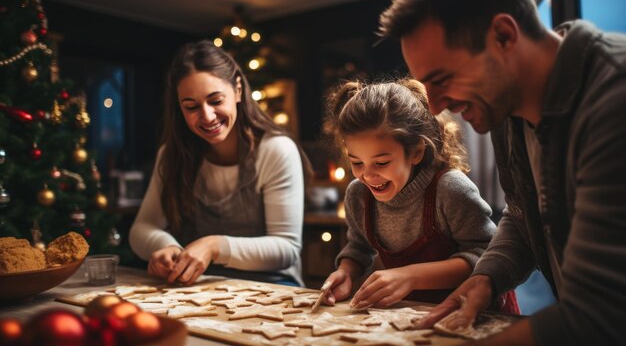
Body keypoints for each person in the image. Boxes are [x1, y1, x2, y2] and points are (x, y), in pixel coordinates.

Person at [378, 0, 626, 345]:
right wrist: (486, 278)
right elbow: (524, 215)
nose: (434, 107)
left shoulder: (613, 98)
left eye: (443, 79)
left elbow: (598, 312)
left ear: (504, 36)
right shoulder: (506, 108)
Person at [321, 79, 518, 313]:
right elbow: (359, 248)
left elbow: (485, 255)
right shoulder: (358, 195)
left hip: (475, 312)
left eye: (381, 162)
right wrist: (347, 271)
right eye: (357, 162)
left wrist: (412, 276)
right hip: (412, 312)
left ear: (416, 152)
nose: (368, 175)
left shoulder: (450, 190)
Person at [129, 40, 311, 287]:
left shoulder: (276, 150)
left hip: (273, 283)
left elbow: (286, 248)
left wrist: (215, 247)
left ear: (237, 90)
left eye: (215, 100)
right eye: (191, 106)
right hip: (199, 284)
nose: (206, 116)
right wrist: (166, 246)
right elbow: (141, 228)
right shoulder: (172, 154)